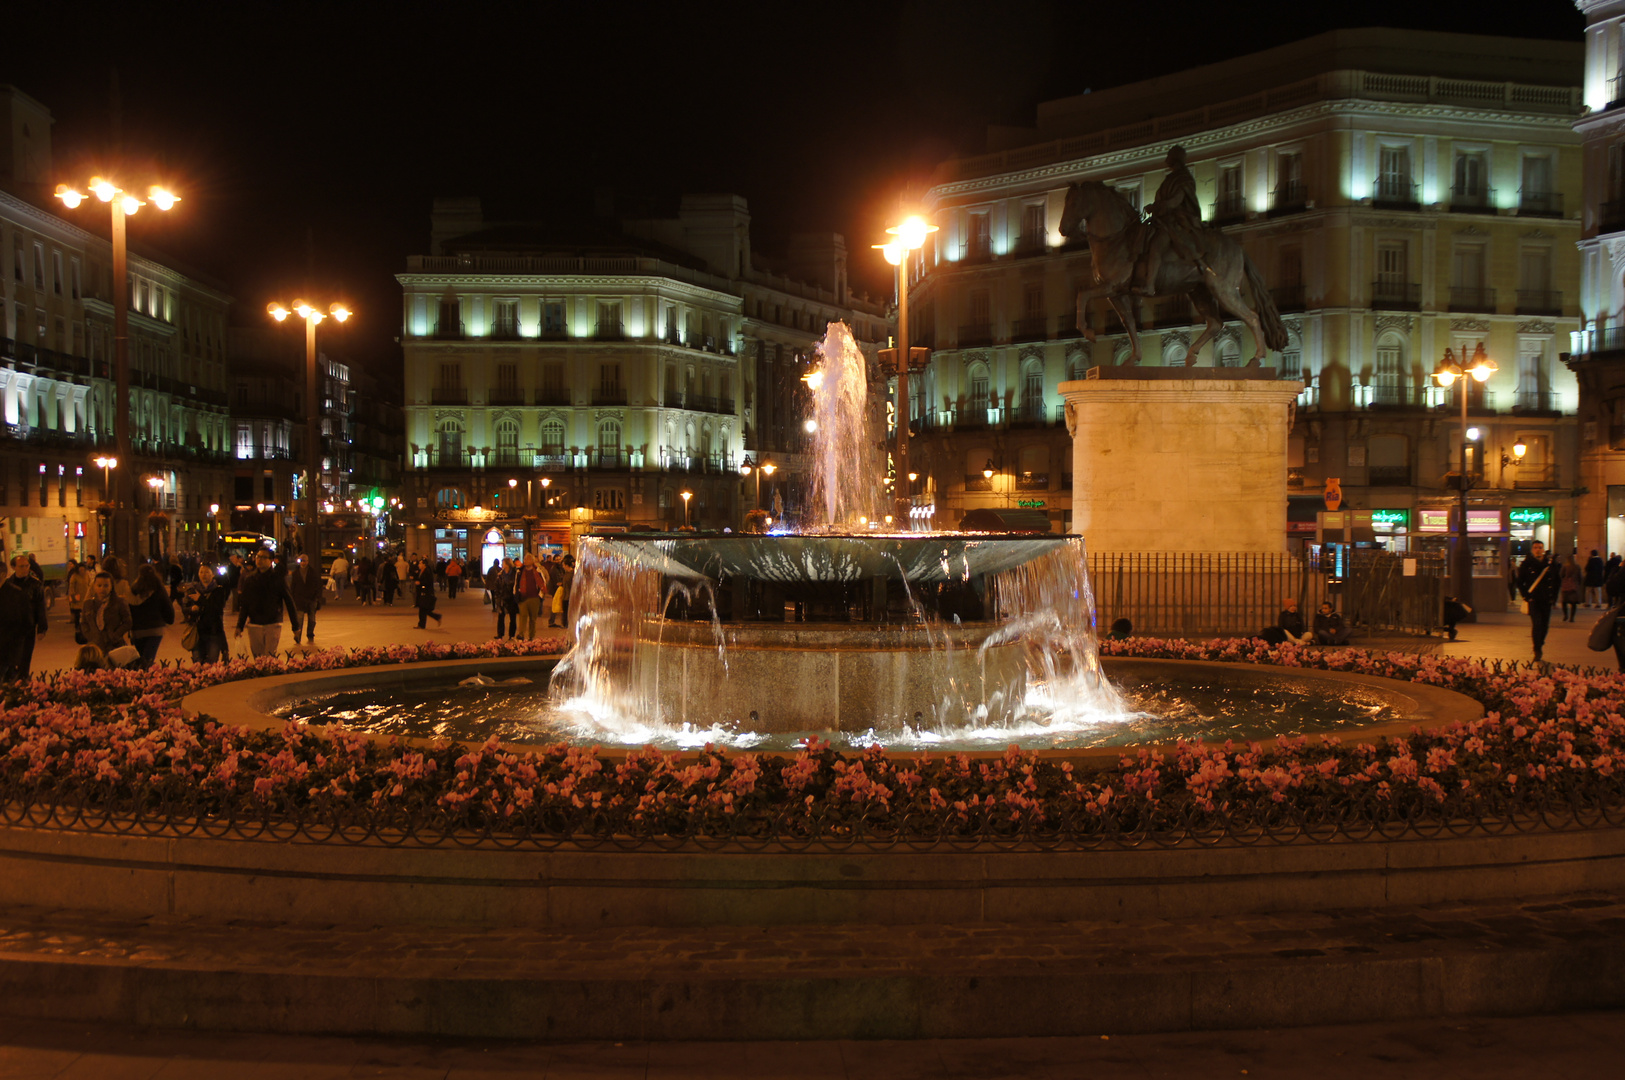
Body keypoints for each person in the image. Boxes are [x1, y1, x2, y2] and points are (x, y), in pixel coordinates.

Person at [1136, 144, 1211, 295]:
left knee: (1156, 246)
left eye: (1169, 156)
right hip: (1163, 219)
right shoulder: (1171, 178)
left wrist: (1156, 206)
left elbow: (1175, 201)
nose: (1166, 159)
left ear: (1175, 158)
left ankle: (1150, 285)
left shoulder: (1183, 178)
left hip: (1176, 220)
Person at [235, 549, 301, 657]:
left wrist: (295, 626)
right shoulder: (250, 579)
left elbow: (289, 602)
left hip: (273, 623)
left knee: (269, 657)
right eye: (258, 557)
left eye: (263, 557)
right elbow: (245, 604)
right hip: (254, 624)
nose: (259, 560)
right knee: (258, 657)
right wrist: (239, 626)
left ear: (271, 560)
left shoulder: (278, 578)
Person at [0, 554, 48, 679]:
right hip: (9, 632)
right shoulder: (8, 584)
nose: (25, 569)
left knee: (24, 661)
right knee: (10, 663)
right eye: (21, 566)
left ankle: (21, 685)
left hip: (27, 628)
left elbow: (40, 607)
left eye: (27, 566)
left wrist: (42, 628)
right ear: (14, 567)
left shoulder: (35, 585)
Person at [180, 560, 236, 664]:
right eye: (201, 572)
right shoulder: (193, 590)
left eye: (206, 572)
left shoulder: (218, 591)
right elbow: (185, 609)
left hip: (213, 633)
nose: (203, 575)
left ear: (212, 574)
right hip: (197, 632)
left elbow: (216, 610)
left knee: (211, 663)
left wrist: (200, 599)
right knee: (197, 663)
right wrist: (191, 609)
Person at [1516, 540, 1561, 662]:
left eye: (1540, 547)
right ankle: (1537, 649)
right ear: (1532, 550)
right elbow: (1520, 582)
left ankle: (1540, 643)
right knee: (1537, 624)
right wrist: (1526, 596)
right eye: (1536, 547)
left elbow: (1557, 581)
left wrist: (1554, 598)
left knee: (1545, 625)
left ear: (1543, 549)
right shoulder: (1527, 564)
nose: (1538, 549)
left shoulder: (1550, 564)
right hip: (1534, 600)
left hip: (1546, 600)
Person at [128, 563, 175, 669]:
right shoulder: (158, 588)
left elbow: (129, 609)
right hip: (155, 629)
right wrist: (169, 619)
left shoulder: (134, 589)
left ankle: (139, 680)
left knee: (140, 659)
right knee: (148, 660)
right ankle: (146, 680)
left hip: (137, 631)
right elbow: (167, 606)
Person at [80, 572, 132, 662]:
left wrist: (115, 635)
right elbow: (84, 622)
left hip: (114, 645)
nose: (102, 589)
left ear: (111, 586)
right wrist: (90, 636)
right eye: (99, 585)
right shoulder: (88, 604)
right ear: (94, 586)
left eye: (106, 586)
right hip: (95, 646)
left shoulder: (119, 603)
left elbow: (128, 622)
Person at [288, 554, 326, 645]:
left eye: (304, 561)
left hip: (311, 599)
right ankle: (298, 636)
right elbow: (293, 586)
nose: (303, 563)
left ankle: (310, 634)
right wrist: (292, 598)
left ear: (308, 562)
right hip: (299, 599)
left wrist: (317, 597)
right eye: (301, 561)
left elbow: (318, 585)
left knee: (312, 619)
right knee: (299, 619)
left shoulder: (313, 572)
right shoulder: (296, 573)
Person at [516, 554, 546, 638]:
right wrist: (516, 594)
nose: (525, 561)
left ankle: (531, 636)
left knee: (533, 619)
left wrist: (540, 596)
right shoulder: (520, 572)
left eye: (528, 559)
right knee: (523, 616)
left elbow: (543, 583)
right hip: (523, 598)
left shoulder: (537, 571)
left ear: (532, 561)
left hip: (534, 598)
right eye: (525, 559)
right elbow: (516, 584)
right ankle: (521, 634)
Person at [489, 558, 517, 640]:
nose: (502, 565)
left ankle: (511, 635)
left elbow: (516, 585)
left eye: (503, 563)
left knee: (513, 617)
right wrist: (497, 596)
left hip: (512, 598)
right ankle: (500, 634)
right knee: (501, 617)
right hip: (503, 598)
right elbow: (497, 585)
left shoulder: (514, 574)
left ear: (508, 564)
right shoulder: (501, 574)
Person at [65, 558, 91, 638]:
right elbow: (71, 587)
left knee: (86, 614)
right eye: (81, 569)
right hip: (78, 598)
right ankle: (77, 628)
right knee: (77, 614)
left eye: (83, 569)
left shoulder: (87, 575)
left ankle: (85, 628)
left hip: (86, 597)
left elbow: (90, 585)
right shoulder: (75, 576)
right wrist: (72, 596)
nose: (82, 571)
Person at [414, 561, 443, 629]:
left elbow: (428, 582)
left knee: (423, 609)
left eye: (420, 563)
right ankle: (423, 624)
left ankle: (435, 618)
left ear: (424, 565)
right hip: (423, 592)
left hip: (426, 592)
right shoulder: (421, 571)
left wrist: (420, 583)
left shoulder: (427, 572)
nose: (419, 565)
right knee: (423, 609)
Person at [551, 555, 575, 629]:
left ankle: (568, 626)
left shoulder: (572, 574)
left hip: (570, 597)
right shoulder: (566, 574)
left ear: (567, 565)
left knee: (568, 614)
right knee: (565, 613)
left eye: (563, 565)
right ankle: (566, 626)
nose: (563, 566)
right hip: (565, 596)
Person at [1560, 554, 1584, 623]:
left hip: (1566, 586)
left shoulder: (1565, 566)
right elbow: (1580, 577)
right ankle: (1572, 617)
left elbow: (1561, 575)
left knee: (1564, 602)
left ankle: (1565, 615)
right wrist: (1578, 584)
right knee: (1573, 603)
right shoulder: (1577, 566)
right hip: (1574, 586)